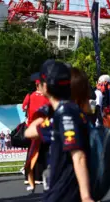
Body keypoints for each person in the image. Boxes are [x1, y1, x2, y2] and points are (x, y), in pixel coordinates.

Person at [25, 60, 93, 202]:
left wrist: (86, 196)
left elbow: (78, 156)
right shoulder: (59, 114)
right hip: (58, 190)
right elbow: (29, 132)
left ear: (45, 87)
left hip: (65, 192)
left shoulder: (65, 114)